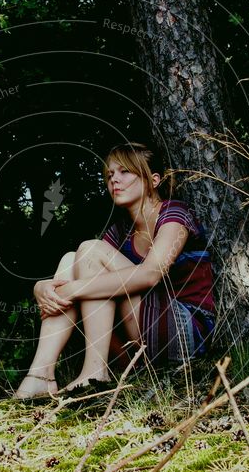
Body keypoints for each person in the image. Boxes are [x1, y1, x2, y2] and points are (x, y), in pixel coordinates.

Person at [13, 142, 215, 399]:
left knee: (90, 250)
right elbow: (83, 268)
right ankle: (40, 376)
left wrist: (70, 290)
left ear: (153, 180)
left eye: (125, 172)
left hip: (185, 334)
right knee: (70, 259)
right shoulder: (121, 232)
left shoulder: (174, 213)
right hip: (141, 341)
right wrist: (40, 287)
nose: (114, 180)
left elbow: (151, 273)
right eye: (109, 175)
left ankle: (95, 373)